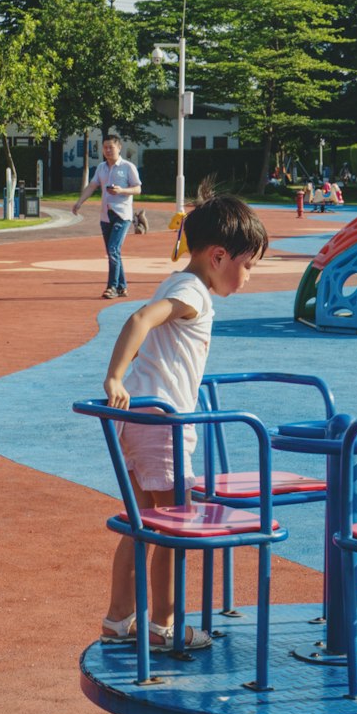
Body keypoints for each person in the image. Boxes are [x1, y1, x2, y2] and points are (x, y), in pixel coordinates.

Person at [99, 193, 269, 652]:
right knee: (176, 531)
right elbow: (139, 318)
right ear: (218, 256)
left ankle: (119, 619)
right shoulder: (191, 291)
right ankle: (164, 627)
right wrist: (114, 374)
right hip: (162, 425)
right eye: (248, 264)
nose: (248, 276)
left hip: (140, 420)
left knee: (143, 525)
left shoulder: (180, 283)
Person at [71, 134, 142, 299]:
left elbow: (138, 189)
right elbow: (92, 185)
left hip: (122, 215)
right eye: (105, 147)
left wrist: (121, 191)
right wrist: (79, 202)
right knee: (113, 252)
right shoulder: (101, 168)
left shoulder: (128, 167)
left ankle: (112, 287)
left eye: (111, 147)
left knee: (113, 250)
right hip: (105, 216)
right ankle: (122, 286)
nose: (108, 150)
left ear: (119, 147)